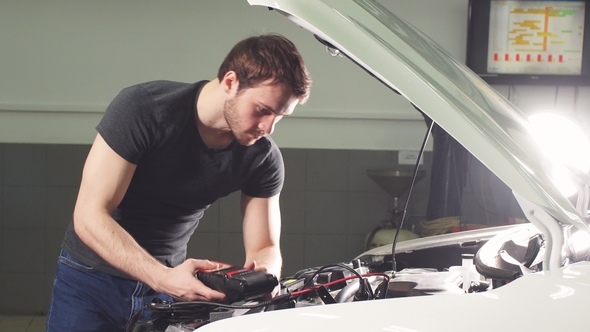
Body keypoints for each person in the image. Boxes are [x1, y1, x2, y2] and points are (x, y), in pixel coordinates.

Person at [46, 33, 312, 332]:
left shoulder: (262, 157)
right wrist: (160, 276)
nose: (268, 128)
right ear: (230, 82)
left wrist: (264, 277)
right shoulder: (143, 109)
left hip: (170, 289)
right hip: (91, 279)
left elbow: (264, 245)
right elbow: (89, 216)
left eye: (280, 116)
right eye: (263, 110)